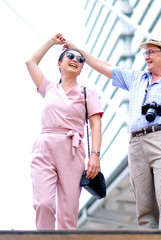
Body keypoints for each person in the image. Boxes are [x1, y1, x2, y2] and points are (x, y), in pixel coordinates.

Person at [65, 32, 161, 229]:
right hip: (136, 144)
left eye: (151, 52)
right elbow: (105, 67)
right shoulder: (136, 78)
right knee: (144, 207)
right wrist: (76, 49)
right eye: (146, 53)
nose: (146, 57)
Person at [25, 33, 103, 230]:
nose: (75, 59)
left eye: (80, 59)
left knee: (68, 214)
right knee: (43, 204)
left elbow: (95, 125)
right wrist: (52, 42)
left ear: (82, 68)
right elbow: (30, 61)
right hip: (44, 148)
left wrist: (95, 155)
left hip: (72, 150)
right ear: (59, 64)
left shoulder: (87, 93)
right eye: (70, 56)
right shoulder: (48, 88)